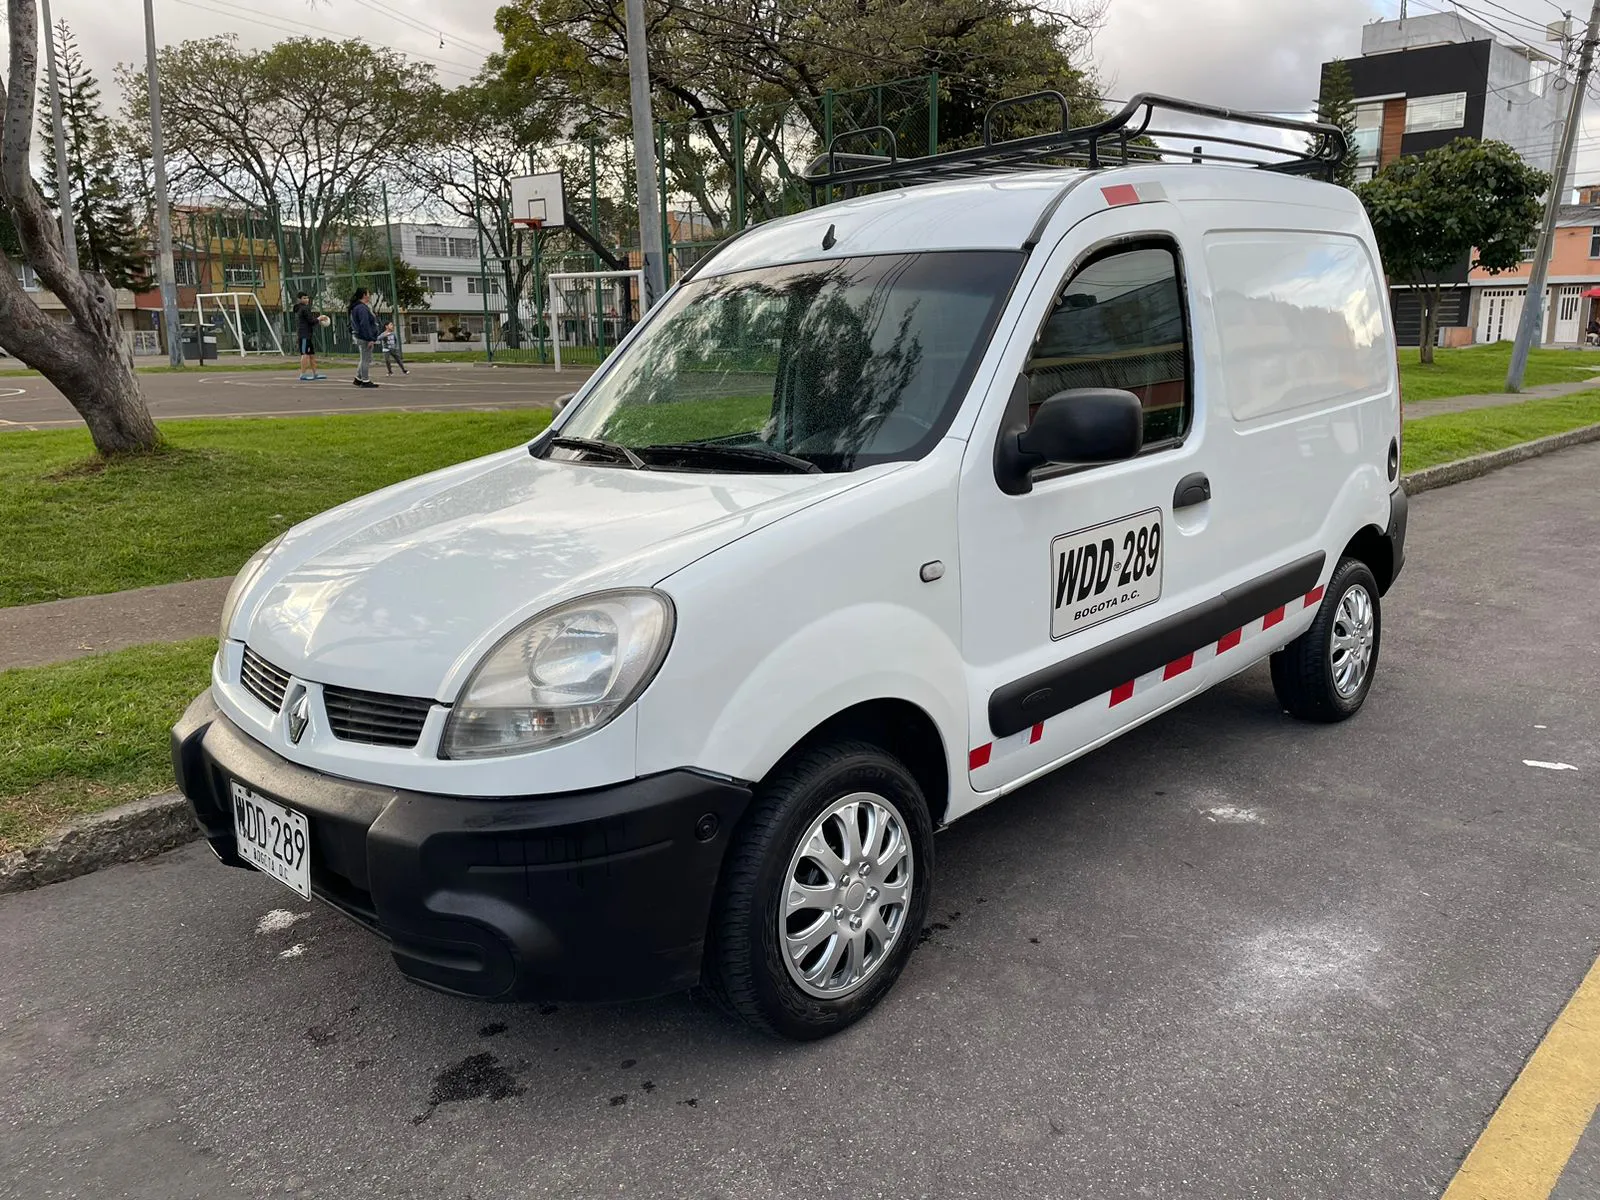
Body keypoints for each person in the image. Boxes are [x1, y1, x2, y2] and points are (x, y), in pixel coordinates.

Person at [348, 288, 380, 388]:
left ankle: (358, 378)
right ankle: (365, 380)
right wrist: (370, 338)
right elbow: (364, 324)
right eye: (368, 293)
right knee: (366, 359)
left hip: (361, 336)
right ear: (364, 295)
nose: (369, 295)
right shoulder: (361, 308)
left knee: (364, 358)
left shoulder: (357, 307)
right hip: (364, 337)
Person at [293, 292, 326, 381]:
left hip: (308, 334)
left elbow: (310, 321)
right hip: (304, 335)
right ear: (299, 299)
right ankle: (303, 374)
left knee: (311, 354)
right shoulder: (304, 308)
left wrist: (318, 320)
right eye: (304, 298)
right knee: (305, 354)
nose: (306, 300)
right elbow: (311, 321)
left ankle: (315, 373)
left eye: (307, 298)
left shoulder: (301, 308)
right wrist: (319, 318)